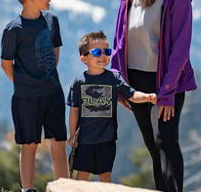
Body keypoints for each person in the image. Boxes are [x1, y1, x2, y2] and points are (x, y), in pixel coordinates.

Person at [112, 0, 197, 192]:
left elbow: (180, 49)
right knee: (151, 144)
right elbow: (120, 38)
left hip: (166, 81)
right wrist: (119, 85)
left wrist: (168, 92)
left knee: (166, 140)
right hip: (135, 79)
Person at [0, 0, 68, 192]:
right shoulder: (13, 29)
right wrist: (22, 83)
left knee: (58, 141)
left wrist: (46, 77)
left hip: (53, 93)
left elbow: (55, 53)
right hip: (26, 97)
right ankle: (28, 191)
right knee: (28, 143)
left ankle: (65, 190)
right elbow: (6, 64)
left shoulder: (52, 21)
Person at [67, 31, 156, 182]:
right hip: (84, 140)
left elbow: (131, 95)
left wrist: (147, 97)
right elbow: (74, 111)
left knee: (105, 174)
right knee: (82, 174)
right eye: (97, 52)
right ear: (84, 58)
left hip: (106, 139)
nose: (103, 56)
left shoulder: (113, 78)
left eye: (107, 52)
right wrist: (72, 135)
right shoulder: (79, 82)